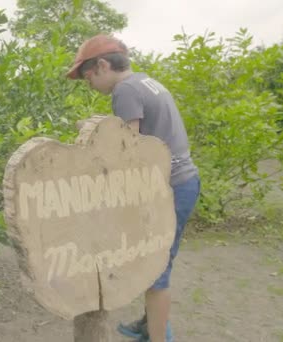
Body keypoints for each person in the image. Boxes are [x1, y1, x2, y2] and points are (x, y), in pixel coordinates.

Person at [66, 34, 201, 342]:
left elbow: (129, 153)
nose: (87, 83)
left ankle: (158, 337)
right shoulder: (143, 82)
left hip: (169, 189)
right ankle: (149, 323)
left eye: (86, 75)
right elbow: (138, 133)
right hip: (184, 181)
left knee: (156, 273)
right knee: (154, 261)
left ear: (101, 65)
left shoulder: (124, 90)